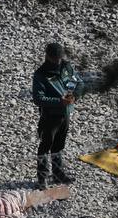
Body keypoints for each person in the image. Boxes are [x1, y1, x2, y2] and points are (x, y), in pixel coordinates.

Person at [31, 41, 81, 188]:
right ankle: (42, 178)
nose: (58, 61)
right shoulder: (41, 74)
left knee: (59, 145)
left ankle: (58, 174)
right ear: (48, 56)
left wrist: (74, 96)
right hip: (49, 117)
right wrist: (60, 101)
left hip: (65, 115)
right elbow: (38, 98)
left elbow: (79, 83)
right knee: (45, 147)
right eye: (55, 58)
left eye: (59, 58)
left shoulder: (65, 67)